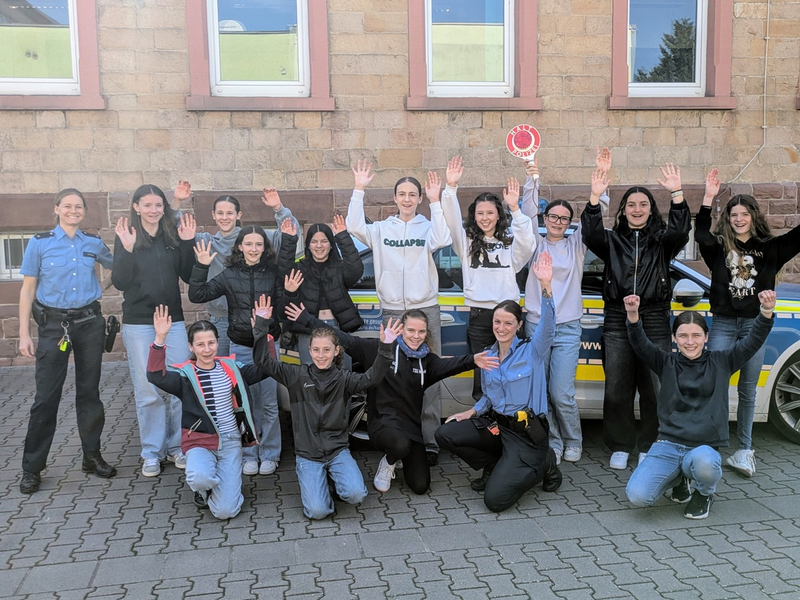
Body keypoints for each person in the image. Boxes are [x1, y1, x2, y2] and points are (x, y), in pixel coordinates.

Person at [283, 292, 499, 495]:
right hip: (383, 425)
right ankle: (388, 462)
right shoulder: (379, 349)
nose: (416, 336)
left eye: (421, 332)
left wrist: (473, 360)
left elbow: (452, 364)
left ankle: (400, 457)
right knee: (399, 444)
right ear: (401, 330)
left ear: (427, 333)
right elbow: (340, 338)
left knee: (420, 486)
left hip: (411, 429)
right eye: (411, 331)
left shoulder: (428, 362)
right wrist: (307, 319)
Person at [623, 291, 775, 519]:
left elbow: (752, 342)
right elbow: (640, 344)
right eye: (683, 336)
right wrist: (633, 314)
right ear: (674, 338)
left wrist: (766, 312)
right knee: (637, 496)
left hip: (703, 448)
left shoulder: (722, 361)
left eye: (696, 335)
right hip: (668, 445)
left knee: (705, 462)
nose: (690, 341)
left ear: (706, 337)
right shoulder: (665, 362)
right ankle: (680, 478)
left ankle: (704, 493)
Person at [581, 163, 691, 470]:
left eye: (643, 204)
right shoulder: (612, 240)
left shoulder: (662, 241)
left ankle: (650, 443)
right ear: (624, 211)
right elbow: (589, 233)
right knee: (617, 384)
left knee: (654, 384)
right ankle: (620, 444)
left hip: (653, 316)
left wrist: (677, 194)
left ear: (651, 209)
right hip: (617, 317)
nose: (637, 209)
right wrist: (594, 197)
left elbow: (682, 230)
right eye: (631, 205)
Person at [435, 252, 563, 513]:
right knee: (445, 433)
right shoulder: (488, 355)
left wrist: (546, 286)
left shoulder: (533, 351)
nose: (501, 328)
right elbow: (489, 397)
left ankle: (545, 463)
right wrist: (472, 411)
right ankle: (495, 464)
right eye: (497, 322)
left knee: (495, 501)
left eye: (508, 323)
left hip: (526, 434)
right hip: (497, 427)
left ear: (518, 326)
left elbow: (549, 327)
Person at [252, 296, 396, 520]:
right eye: (317, 350)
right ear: (309, 351)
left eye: (326, 350)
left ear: (336, 351)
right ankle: (320, 485)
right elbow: (264, 362)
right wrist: (261, 327)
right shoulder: (296, 376)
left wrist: (385, 348)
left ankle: (334, 479)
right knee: (317, 512)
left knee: (356, 494)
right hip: (308, 454)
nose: (321, 355)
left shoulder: (344, 379)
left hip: (337, 451)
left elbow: (372, 378)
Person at [346, 161, 452, 466]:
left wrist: (436, 201)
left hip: (425, 309)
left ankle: (429, 442)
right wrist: (358, 190)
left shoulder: (428, 227)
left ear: (418, 199)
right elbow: (354, 227)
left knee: (428, 375)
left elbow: (443, 238)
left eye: (412, 194)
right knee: (391, 378)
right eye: (402, 194)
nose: (407, 199)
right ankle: (396, 436)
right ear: (394, 198)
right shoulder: (382, 230)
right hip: (392, 310)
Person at [695, 171, 800, 477]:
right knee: (713, 383)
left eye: (744, 214)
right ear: (727, 218)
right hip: (725, 323)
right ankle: (711, 447)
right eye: (734, 214)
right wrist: (707, 199)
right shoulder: (716, 247)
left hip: (756, 325)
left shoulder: (770, 249)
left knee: (748, 390)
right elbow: (700, 234)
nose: (739, 219)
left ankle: (744, 450)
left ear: (754, 217)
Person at [17, 189, 116, 494]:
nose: (73, 210)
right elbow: (27, 290)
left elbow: (117, 269)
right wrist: (23, 333)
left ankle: (91, 456)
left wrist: (99, 286)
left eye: (79, 207)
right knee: (46, 398)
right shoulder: (40, 243)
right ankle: (32, 468)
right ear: (56, 209)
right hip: (53, 326)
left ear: (84, 211)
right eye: (68, 206)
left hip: (88, 323)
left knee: (89, 394)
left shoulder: (93, 243)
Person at [520, 148, 611, 465]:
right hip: (535, 325)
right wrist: (532, 178)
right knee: (541, 391)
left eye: (563, 218)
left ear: (569, 223)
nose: (557, 222)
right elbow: (526, 213)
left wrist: (598, 190)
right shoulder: (535, 243)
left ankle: (574, 440)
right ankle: (554, 442)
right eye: (552, 217)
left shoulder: (575, 245)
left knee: (562, 392)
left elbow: (594, 219)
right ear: (546, 219)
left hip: (569, 328)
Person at [146, 306, 269, 519]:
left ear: (217, 343)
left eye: (211, 343)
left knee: (225, 512)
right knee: (199, 478)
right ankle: (206, 487)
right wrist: (160, 338)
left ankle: (224, 486)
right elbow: (156, 377)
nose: (207, 349)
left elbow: (265, 368)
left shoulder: (231, 368)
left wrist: (262, 330)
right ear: (191, 347)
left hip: (231, 442)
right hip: (200, 442)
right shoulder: (185, 375)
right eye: (200, 344)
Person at [112, 184, 196, 477]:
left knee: (177, 384)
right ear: (136, 207)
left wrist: (187, 243)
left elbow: (187, 274)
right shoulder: (128, 235)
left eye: (158, 205)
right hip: (139, 322)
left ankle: (177, 448)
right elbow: (120, 281)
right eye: (147, 205)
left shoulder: (172, 235)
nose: (153, 210)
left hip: (172, 320)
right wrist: (125, 249)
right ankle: (152, 451)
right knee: (148, 390)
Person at [188, 225, 283, 477]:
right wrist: (202, 266)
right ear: (240, 246)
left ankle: (271, 453)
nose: (254, 249)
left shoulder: (274, 273)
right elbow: (198, 294)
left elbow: (286, 302)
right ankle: (250, 452)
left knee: (270, 401)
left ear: (265, 248)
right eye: (249, 244)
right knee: (246, 401)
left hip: (269, 343)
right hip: (241, 345)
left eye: (259, 244)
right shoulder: (229, 275)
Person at [440, 156, 535, 401]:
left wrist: (516, 208)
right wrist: (450, 188)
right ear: (474, 215)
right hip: (480, 317)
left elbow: (529, 244)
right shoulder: (466, 242)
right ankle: (485, 426)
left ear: (497, 215)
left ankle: (510, 425)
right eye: (480, 213)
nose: (484, 217)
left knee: (512, 372)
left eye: (490, 213)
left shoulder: (510, 241)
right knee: (484, 374)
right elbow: (450, 220)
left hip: (509, 314)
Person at [189, 187, 299, 356]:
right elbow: (177, 239)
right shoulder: (206, 242)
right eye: (220, 213)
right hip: (222, 320)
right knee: (227, 375)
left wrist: (279, 209)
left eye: (229, 213)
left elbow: (290, 233)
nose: (225, 217)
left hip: (261, 322)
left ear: (238, 215)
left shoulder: (254, 236)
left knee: (265, 377)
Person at [276, 215, 364, 366]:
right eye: (314, 241)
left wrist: (343, 237)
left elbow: (356, 270)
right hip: (307, 329)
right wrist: (289, 242)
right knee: (310, 376)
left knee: (343, 375)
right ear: (308, 245)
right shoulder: (300, 268)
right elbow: (284, 273)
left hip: (338, 327)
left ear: (331, 244)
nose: (319, 246)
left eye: (324, 241)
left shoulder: (340, 267)